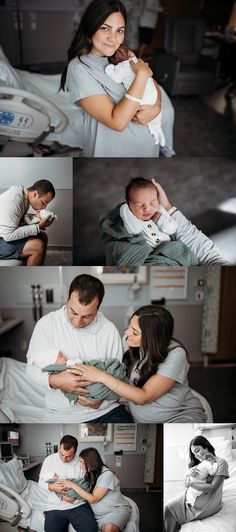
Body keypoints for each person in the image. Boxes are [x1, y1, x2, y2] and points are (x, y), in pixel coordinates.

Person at [60, 0, 174, 157]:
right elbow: (117, 122)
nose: (113, 39)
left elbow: (152, 83)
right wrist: (141, 74)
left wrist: (157, 105)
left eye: (120, 31)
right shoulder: (80, 68)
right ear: (90, 27)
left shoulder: (121, 55)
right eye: (105, 28)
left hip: (147, 150)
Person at [68, 305, 207, 423]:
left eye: (135, 332)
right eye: (130, 326)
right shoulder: (129, 341)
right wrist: (99, 401)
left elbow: (143, 397)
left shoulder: (176, 354)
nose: (127, 333)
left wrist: (100, 376)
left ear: (152, 339)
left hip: (177, 417)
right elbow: (112, 370)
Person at [26, 273, 133, 423]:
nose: (77, 322)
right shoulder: (47, 324)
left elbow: (118, 377)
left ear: (98, 307)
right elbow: (30, 369)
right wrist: (54, 380)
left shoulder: (109, 331)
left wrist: (101, 403)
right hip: (59, 412)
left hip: (103, 411)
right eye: (73, 312)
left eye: (87, 316)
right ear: (68, 299)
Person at [100, 177, 230, 266]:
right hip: (150, 251)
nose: (147, 208)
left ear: (158, 200)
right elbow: (133, 231)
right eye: (139, 205)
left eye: (152, 202)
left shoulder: (160, 211)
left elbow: (172, 229)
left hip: (169, 248)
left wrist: (161, 218)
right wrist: (125, 210)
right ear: (128, 205)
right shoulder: (132, 218)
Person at [56, 447, 132, 532]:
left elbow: (93, 499)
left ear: (90, 462)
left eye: (82, 462)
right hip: (98, 516)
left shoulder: (107, 475)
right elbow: (85, 494)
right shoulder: (91, 474)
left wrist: (73, 485)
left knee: (109, 528)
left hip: (115, 510)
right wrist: (74, 500)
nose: (80, 466)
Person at [164, 435, 229, 532]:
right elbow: (186, 484)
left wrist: (191, 484)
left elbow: (213, 488)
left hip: (206, 503)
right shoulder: (199, 465)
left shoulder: (221, 463)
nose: (196, 455)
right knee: (167, 508)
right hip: (191, 496)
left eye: (197, 450)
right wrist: (188, 474)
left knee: (170, 511)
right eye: (194, 453)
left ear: (206, 447)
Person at [105, 43, 165, 146]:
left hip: (145, 98)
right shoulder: (134, 61)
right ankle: (158, 131)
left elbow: (117, 78)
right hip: (150, 95)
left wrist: (109, 69)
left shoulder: (121, 67)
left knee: (149, 114)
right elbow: (146, 72)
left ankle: (156, 131)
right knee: (154, 118)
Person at [39, 435, 98, 532]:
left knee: (90, 529)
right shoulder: (49, 460)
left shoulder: (81, 463)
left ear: (75, 452)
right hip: (55, 506)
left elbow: (87, 487)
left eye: (68, 456)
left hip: (78, 506)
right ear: (59, 447)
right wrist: (50, 487)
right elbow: (40, 483)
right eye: (61, 454)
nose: (63, 459)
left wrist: (75, 500)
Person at [0, 179, 55, 265]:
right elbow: (9, 235)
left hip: (4, 235)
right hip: (4, 237)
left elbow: (18, 220)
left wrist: (36, 218)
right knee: (37, 246)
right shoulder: (13, 202)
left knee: (43, 236)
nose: (44, 207)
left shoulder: (23, 197)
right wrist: (38, 227)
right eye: (44, 202)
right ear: (35, 194)